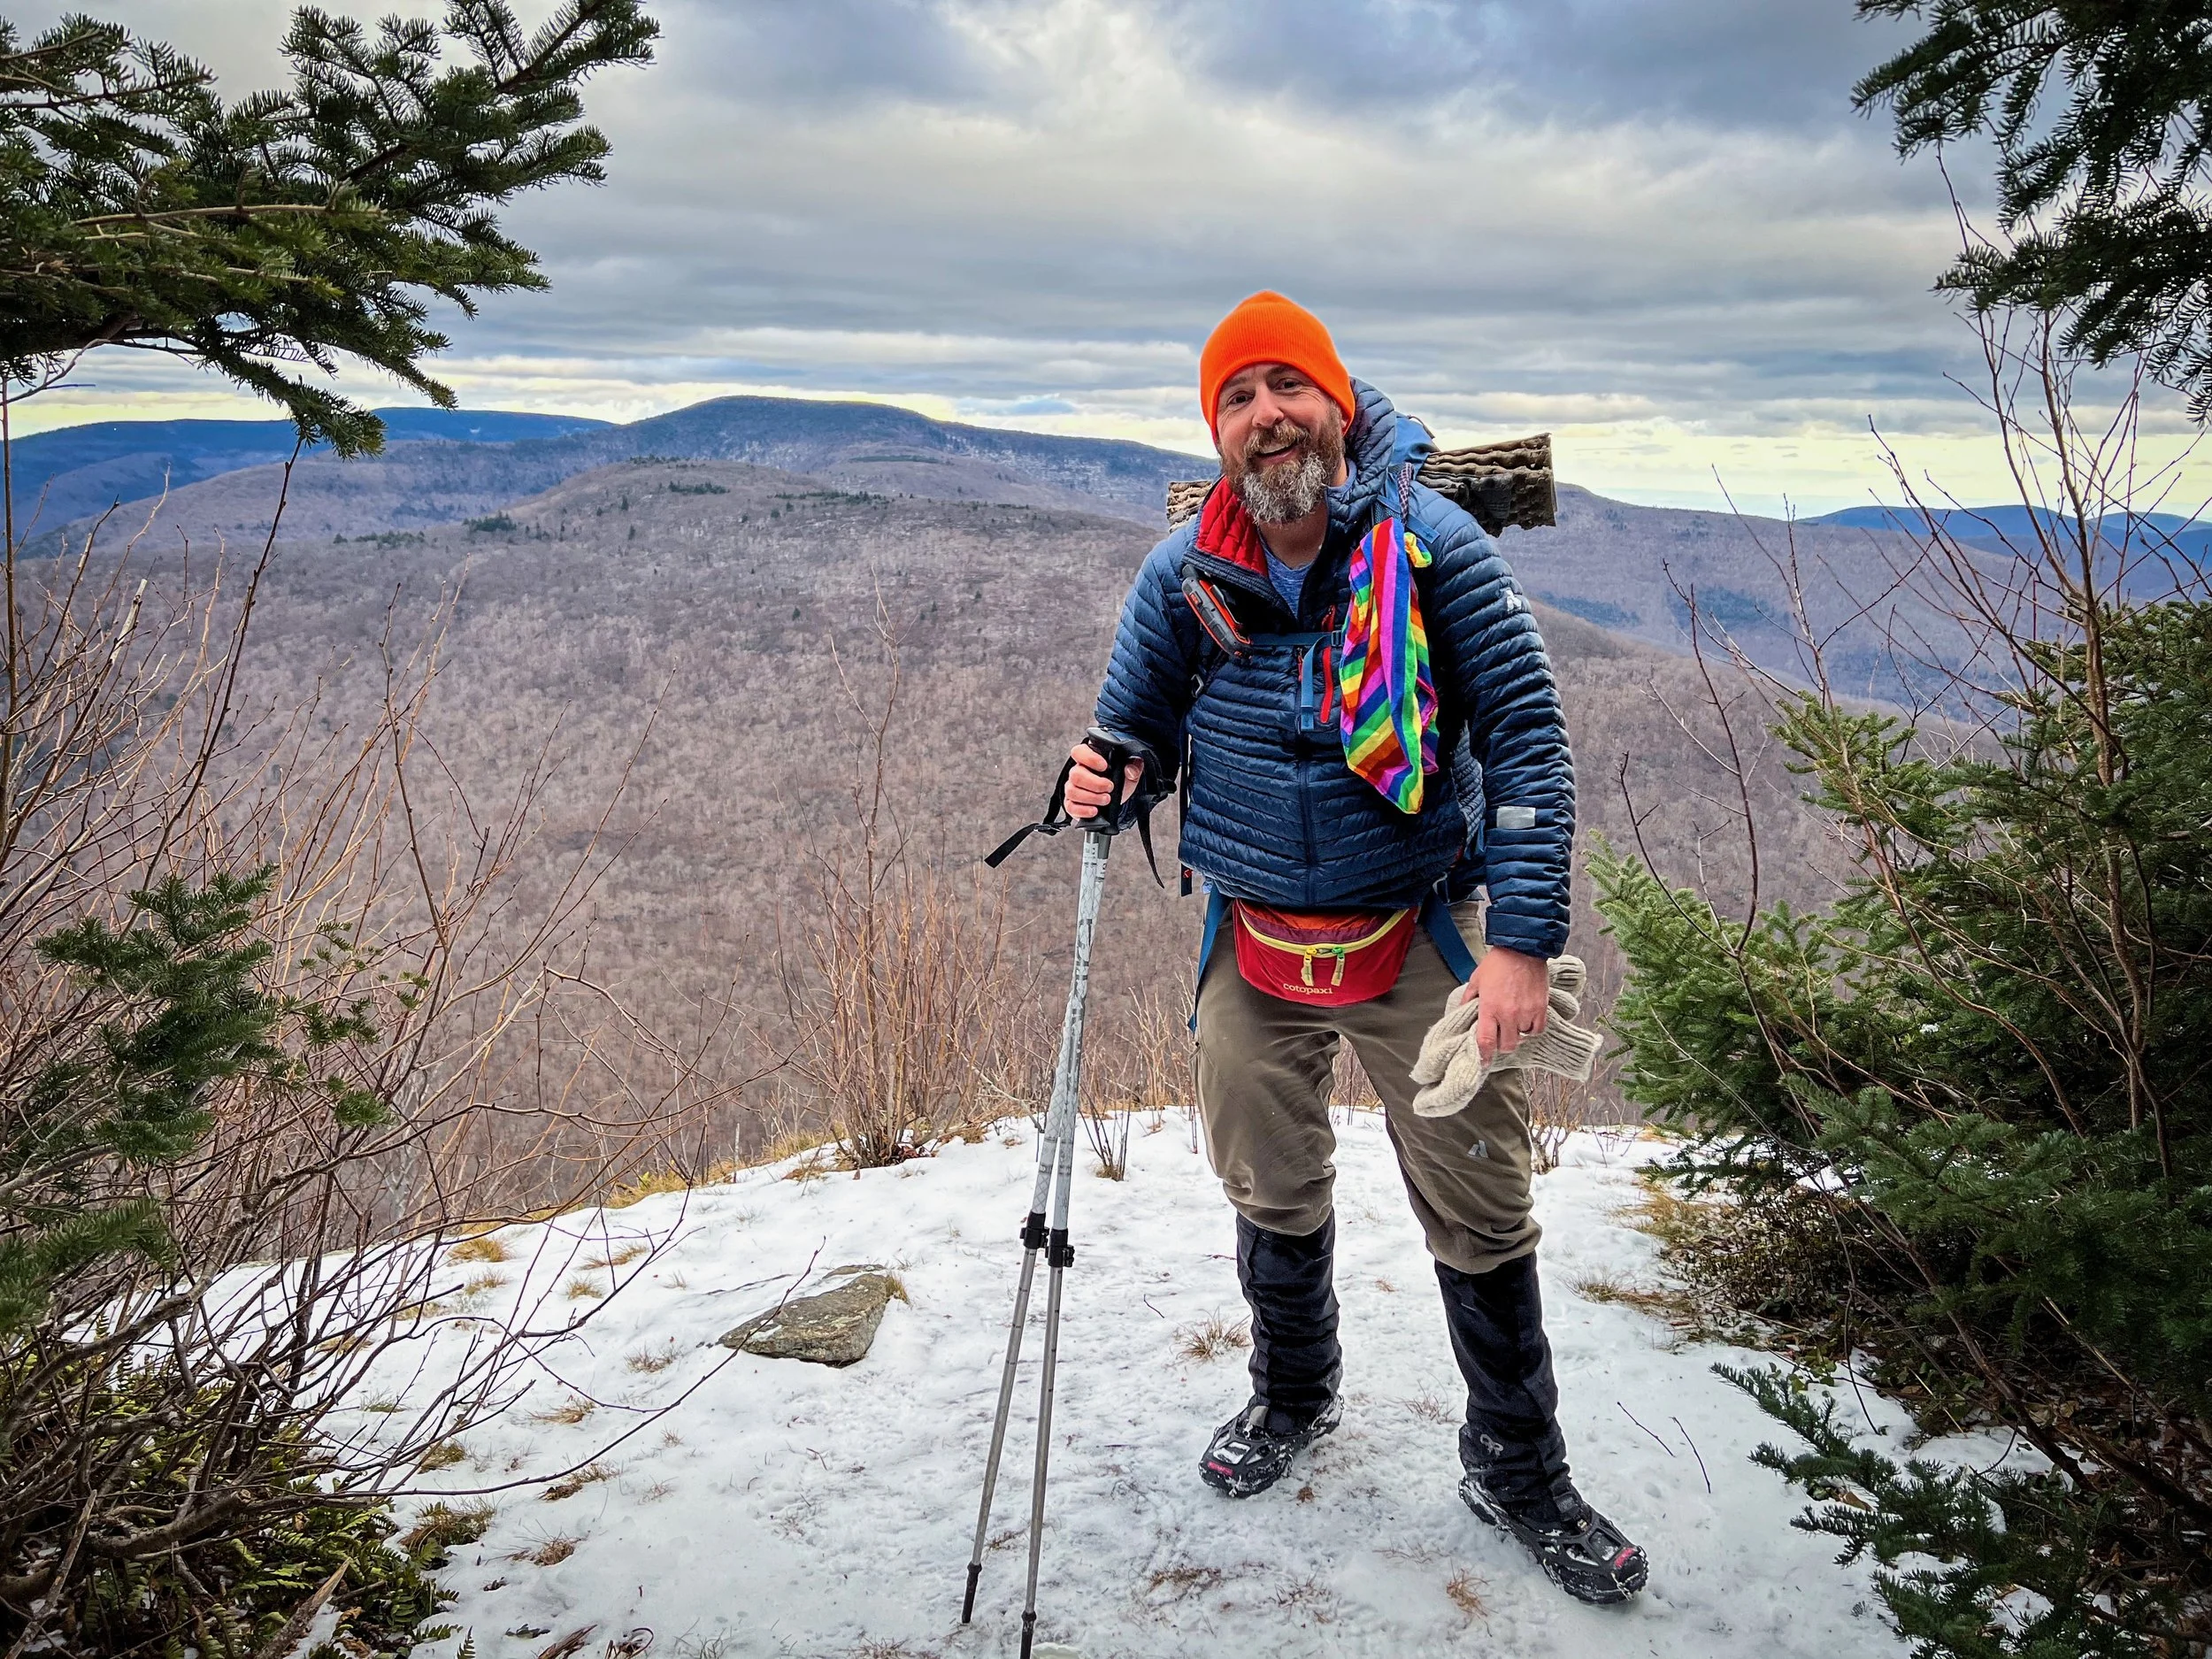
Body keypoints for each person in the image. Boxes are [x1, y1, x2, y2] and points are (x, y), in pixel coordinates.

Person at [1061, 290, 1647, 1605]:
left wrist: (1523, 944)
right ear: (1215, 432)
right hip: (1250, 926)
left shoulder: (1433, 547)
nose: (1265, 415)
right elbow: (1136, 728)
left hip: (1419, 915)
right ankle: (1293, 1395)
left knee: (1482, 1199)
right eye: (1236, 396)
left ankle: (1517, 1459)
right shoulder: (1186, 574)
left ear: (1336, 402)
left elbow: (1530, 742)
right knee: (1266, 1177)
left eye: (1286, 386)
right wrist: (1108, 770)